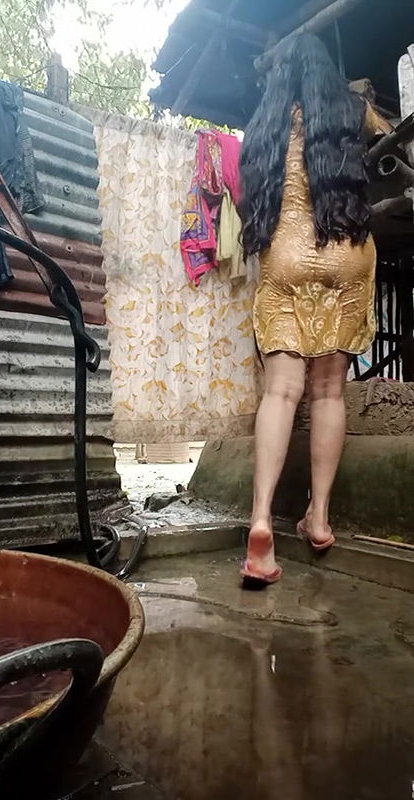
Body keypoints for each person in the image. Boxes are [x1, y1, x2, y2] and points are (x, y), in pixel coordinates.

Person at [239, 33, 392, 586]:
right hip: (348, 253)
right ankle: (319, 517)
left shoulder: (265, 125)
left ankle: (261, 524)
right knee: (328, 391)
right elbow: (398, 149)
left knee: (281, 392)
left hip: (287, 255)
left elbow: (250, 194)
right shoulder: (352, 110)